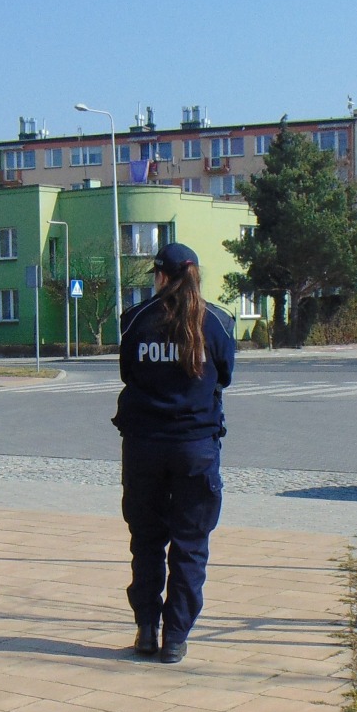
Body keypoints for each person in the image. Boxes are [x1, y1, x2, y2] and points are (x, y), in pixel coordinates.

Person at [113, 242, 236, 664]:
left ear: (160, 275)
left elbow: (128, 372)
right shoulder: (217, 321)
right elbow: (226, 377)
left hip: (144, 447)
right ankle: (176, 637)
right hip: (195, 449)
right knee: (189, 544)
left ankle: (147, 629)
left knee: (146, 541)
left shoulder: (135, 320)